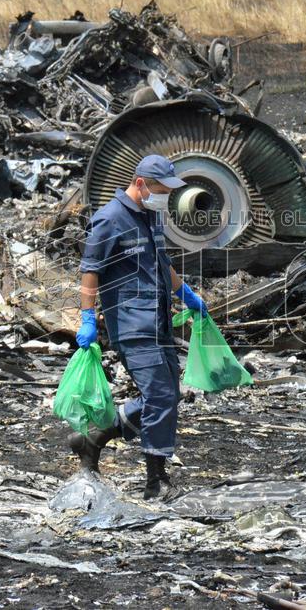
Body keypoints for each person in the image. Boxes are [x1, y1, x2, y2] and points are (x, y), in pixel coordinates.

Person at [68, 154, 208, 500]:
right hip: (130, 322)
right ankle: (156, 482)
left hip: (158, 319)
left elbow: (162, 262)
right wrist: (87, 318)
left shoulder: (152, 214)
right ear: (141, 184)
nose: (166, 196)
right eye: (161, 189)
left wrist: (185, 293)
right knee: (160, 395)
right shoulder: (109, 219)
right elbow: (89, 272)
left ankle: (95, 437)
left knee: (167, 395)